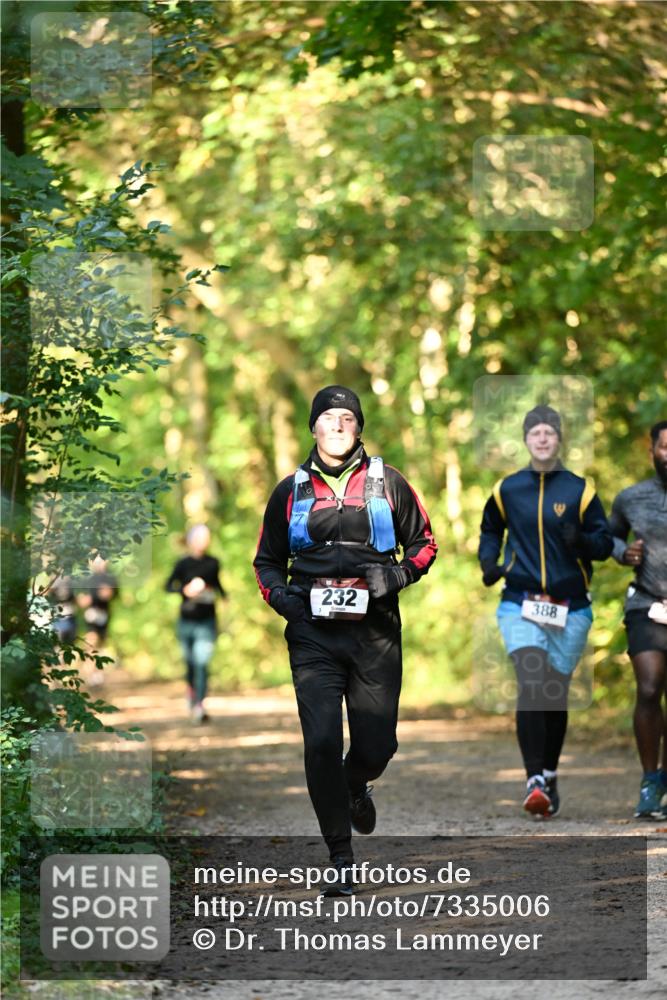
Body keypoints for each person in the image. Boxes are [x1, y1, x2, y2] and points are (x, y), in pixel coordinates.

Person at [253, 385, 437, 895]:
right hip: (313, 636)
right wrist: (286, 602)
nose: (337, 425)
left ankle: (357, 782)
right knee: (321, 743)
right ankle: (340, 857)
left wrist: (396, 577)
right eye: (327, 417)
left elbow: (425, 543)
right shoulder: (289, 491)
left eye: (347, 418)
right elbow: (266, 562)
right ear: (312, 427)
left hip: (374, 632)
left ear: (359, 427)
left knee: (378, 744)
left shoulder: (389, 482)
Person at [478, 405, 613, 818]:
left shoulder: (580, 490)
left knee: (554, 694)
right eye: (534, 432)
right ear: (525, 439)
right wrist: (489, 562)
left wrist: (582, 542)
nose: (541, 438)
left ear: (559, 440)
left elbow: (605, 544)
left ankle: (550, 774)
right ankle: (533, 778)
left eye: (549, 432)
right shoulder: (507, 489)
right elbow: (490, 529)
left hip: (570, 608)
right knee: (531, 678)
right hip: (519, 602)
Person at [609, 420, 667, 819]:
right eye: (666, 448)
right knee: (648, 689)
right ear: (653, 452)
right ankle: (651, 780)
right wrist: (621, 551)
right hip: (647, 604)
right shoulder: (631, 497)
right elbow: (606, 537)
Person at [165, 524, 226, 724]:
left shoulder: (213, 562)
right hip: (187, 620)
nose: (203, 541)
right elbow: (168, 586)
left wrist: (224, 597)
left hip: (207, 620)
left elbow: (217, 584)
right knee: (191, 663)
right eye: (199, 537)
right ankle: (191, 695)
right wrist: (185, 590)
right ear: (191, 540)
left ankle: (200, 704)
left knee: (203, 662)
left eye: (206, 537)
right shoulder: (182, 563)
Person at [76, 554, 119, 685]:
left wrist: (109, 594)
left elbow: (116, 595)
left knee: (101, 644)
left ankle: (97, 673)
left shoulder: (111, 578)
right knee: (91, 642)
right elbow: (80, 598)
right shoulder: (87, 578)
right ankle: (91, 673)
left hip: (104, 615)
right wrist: (84, 600)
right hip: (91, 615)